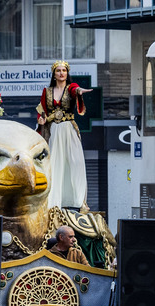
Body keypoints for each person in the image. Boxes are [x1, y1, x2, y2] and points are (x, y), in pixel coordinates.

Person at [36, 60, 92, 210]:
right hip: (54, 130)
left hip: (68, 129)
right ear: (54, 74)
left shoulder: (71, 88)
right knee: (54, 164)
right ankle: (53, 202)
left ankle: (80, 201)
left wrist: (80, 91)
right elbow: (41, 110)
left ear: (67, 73)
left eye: (64, 70)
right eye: (58, 70)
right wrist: (41, 120)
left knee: (76, 163)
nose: (61, 73)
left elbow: (75, 90)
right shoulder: (47, 91)